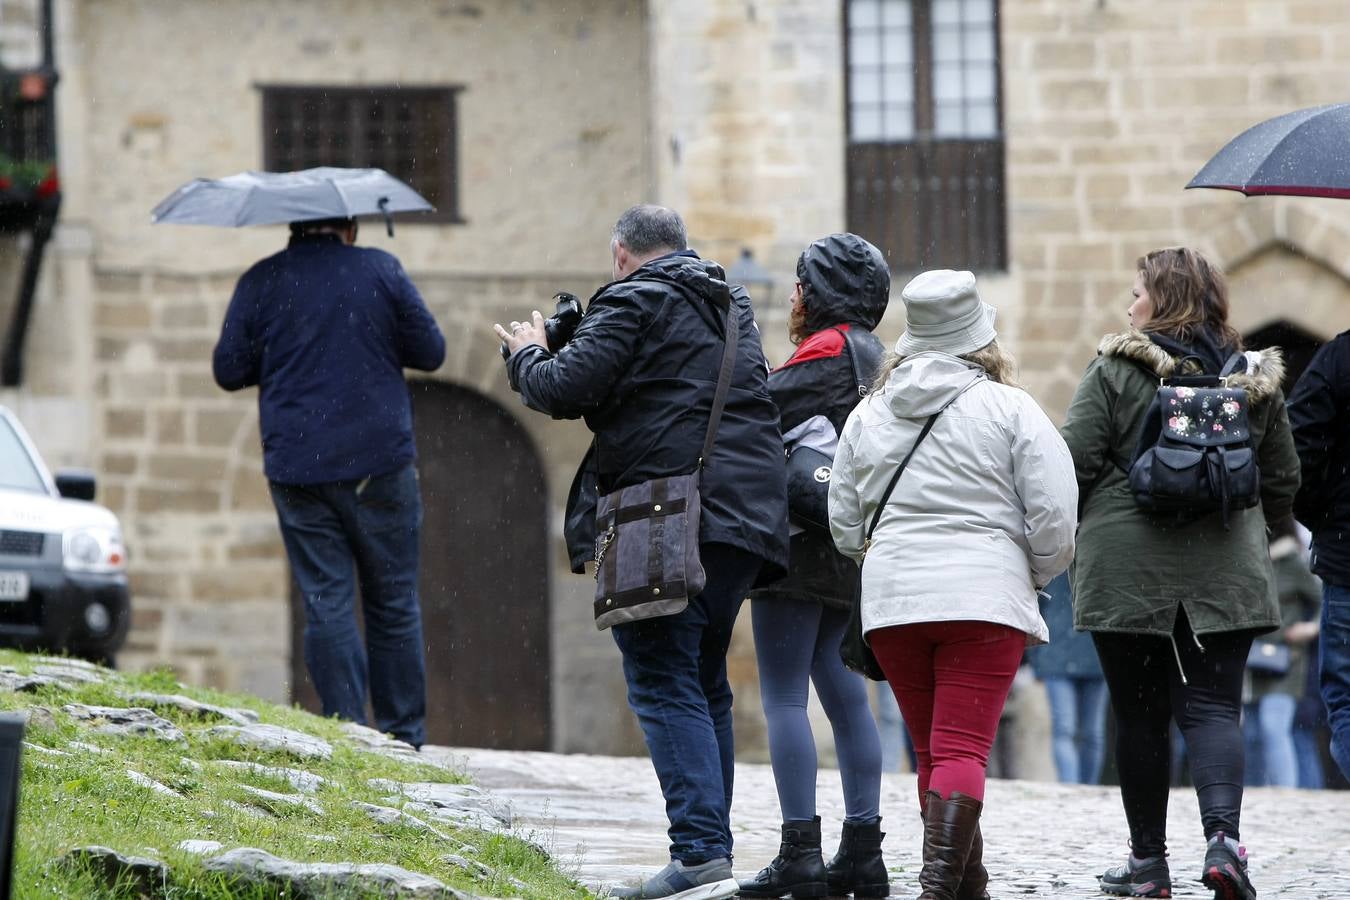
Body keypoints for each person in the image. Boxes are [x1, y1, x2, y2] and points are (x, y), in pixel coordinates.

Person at [495, 205, 788, 900]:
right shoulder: (731, 303)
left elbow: (564, 390)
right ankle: (710, 851)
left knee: (661, 677)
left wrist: (530, 352)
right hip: (744, 514)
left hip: (668, 511)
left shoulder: (632, 296)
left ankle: (698, 854)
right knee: (704, 678)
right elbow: (671, 385)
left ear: (621, 253)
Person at [1060, 247, 1300, 900]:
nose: (1127, 304)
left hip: (1126, 570)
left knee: (1139, 718)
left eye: (1136, 292)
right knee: (1215, 709)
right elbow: (1282, 479)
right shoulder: (1251, 378)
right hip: (1227, 571)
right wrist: (1244, 523)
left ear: (1163, 299)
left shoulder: (1116, 369)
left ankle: (1148, 866)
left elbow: (1073, 462)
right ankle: (1223, 843)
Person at [829, 269, 1077, 900]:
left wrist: (884, 560)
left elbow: (844, 518)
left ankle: (969, 886)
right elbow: (1054, 512)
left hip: (894, 603)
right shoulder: (1012, 408)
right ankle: (939, 889)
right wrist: (1033, 573)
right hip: (984, 597)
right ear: (978, 336)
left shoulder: (869, 413)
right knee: (962, 750)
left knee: (931, 752)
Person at [212, 216, 445, 749]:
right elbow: (431, 352)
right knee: (392, 600)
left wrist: (280, 351)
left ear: (295, 227)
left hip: (299, 467)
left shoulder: (261, 280)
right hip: (378, 463)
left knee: (326, 599)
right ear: (350, 227)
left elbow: (228, 369)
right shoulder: (381, 271)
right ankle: (404, 738)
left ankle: (347, 730)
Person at [738, 233, 890, 900]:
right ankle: (863, 850)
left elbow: (755, 415)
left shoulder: (827, 350)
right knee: (845, 691)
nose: (794, 295)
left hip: (799, 543)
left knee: (781, 697)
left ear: (820, 293)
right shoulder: (877, 355)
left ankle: (800, 850)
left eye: (802, 284)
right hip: (850, 548)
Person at [1287, 327, 1350, 782]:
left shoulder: (1340, 358)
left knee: (1347, 700)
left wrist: (1325, 518)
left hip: (1348, 559)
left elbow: (1298, 453)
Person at [1243, 524, 1322, 788]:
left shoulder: (1292, 564)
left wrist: (1312, 628)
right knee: (1251, 734)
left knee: (1273, 727)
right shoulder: (1246, 561)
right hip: (1249, 661)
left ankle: (1284, 796)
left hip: (1286, 660)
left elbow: (1326, 597)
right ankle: (1251, 797)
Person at [1029, 572, 1109, 785]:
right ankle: (1075, 786)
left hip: (1077, 657)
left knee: (1076, 731)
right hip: (1083, 656)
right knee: (1083, 731)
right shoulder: (1095, 560)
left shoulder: (1052, 560)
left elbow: (1035, 612)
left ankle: (1077, 787)